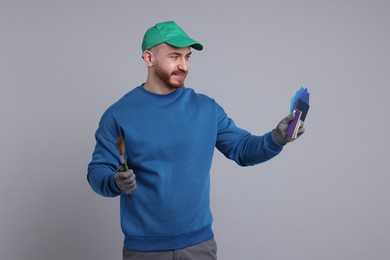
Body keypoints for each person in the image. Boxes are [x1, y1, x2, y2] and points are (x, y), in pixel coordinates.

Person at [87, 21, 305, 260]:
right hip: (144, 250)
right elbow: (98, 171)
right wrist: (114, 182)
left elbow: (243, 149)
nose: (184, 65)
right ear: (149, 58)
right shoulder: (120, 114)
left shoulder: (206, 109)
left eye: (187, 57)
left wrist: (276, 138)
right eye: (174, 56)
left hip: (199, 245)